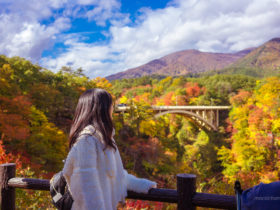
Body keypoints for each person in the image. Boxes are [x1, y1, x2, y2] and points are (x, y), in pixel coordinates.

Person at [62, 88, 157, 210]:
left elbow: (116, 174)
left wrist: (142, 185)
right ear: (102, 109)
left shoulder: (104, 139)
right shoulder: (86, 141)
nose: (112, 109)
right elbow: (86, 188)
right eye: (111, 105)